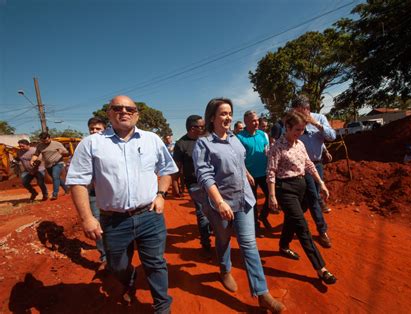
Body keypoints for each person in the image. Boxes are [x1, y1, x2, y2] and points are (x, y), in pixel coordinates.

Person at [66, 95, 178, 314]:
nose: (124, 112)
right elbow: (78, 181)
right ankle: (129, 279)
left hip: (149, 216)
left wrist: (161, 194)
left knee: (156, 263)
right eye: (118, 108)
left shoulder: (151, 139)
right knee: (117, 266)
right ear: (109, 113)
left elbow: (167, 169)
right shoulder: (91, 143)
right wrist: (88, 218)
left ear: (136, 114)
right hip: (113, 220)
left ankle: (162, 307)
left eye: (130, 108)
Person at [193, 98, 285, 313]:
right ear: (212, 117)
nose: (228, 117)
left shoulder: (234, 138)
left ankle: (262, 294)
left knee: (249, 245)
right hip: (221, 204)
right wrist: (219, 201)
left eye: (229, 113)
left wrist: (247, 173)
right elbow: (205, 176)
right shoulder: (204, 143)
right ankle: (224, 270)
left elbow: (239, 160)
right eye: (223, 113)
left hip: (244, 200)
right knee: (223, 240)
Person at [267, 111, 337, 285]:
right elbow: (271, 172)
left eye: (302, 130)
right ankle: (321, 268)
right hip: (286, 189)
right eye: (297, 129)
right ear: (287, 127)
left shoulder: (300, 144)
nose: (300, 133)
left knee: (292, 219)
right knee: (302, 226)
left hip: (302, 186)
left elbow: (309, 164)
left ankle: (283, 245)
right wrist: (272, 196)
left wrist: (321, 183)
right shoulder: (277, 147)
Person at [291, 95, 336, 248]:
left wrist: (317, 125)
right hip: (301, 166)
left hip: (317, 165)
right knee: (313, 196)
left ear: (307, 109)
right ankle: (322, 230)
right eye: (295, 112)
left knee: (308, 199)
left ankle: (292, 222)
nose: (298, 116)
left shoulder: (320, 118)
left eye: (300, 113)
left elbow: (331, 137)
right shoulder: (293, 121)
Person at [173, 115, 211, 252]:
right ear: (192, 128)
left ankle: (209, 230)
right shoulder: (181, 144)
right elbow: (177, 166)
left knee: (214, 209)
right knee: (202, 213)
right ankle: (206, 243)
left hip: (211, 180)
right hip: (194, 183)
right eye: (201, 127)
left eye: (204, 126)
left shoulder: (207, 139)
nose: (204, 129)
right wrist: (175, 183)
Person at [236, 110, 272, 237]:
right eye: (253, 120)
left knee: (271, 196)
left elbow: (267, 151)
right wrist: (246, 174)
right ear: (246, 122)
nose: (256, 122)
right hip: (249, 176)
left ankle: (263, 216)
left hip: (264, 173)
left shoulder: (262, 134)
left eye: (257, 120)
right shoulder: (239, 137)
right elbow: (238, 159)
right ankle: (256, 227)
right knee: (253, 202)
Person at [86, 117, 107, 267]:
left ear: (105, 129)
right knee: (97, 224)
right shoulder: (85, 146)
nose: (94, 132)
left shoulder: (113, 145)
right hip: (93, 192)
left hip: (112, 194)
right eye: (92, 129)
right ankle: (104, 257)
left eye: (98, 129)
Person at [31, 132, 69, 200]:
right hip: (48, 165)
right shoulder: (40, 146)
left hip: (58, 162)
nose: (45, 142)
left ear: (50, 138)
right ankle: (67, 189)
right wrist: (32, 160)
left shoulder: (57, 144)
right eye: (43, 140)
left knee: (55, 177)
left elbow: (66, 152)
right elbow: (36, 154)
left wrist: (62, 152)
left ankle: (55, 194)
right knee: (57, 178)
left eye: (46, 140)